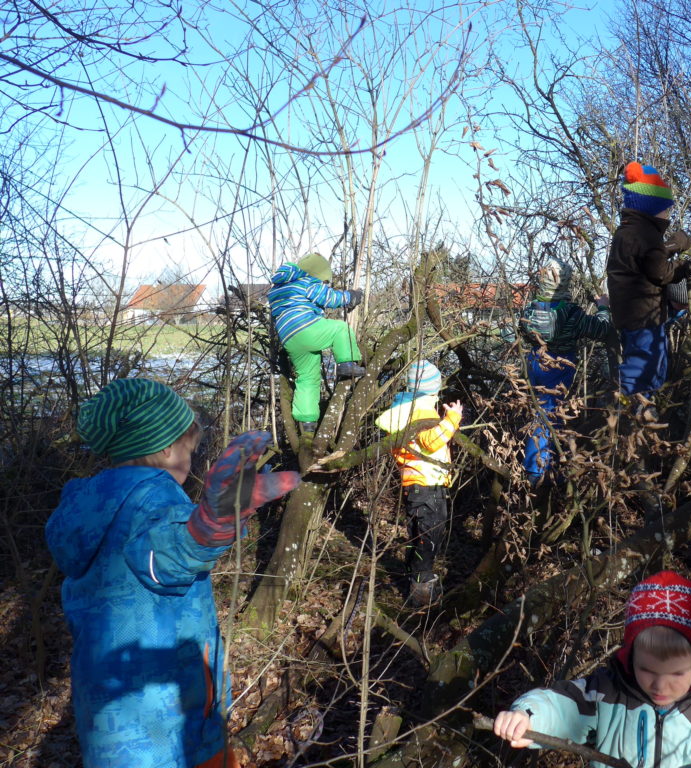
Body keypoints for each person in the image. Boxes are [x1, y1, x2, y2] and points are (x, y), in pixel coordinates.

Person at [45, 378, 301, 768]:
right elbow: (166, 558)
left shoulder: (87, 505)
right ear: (165, 449)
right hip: (168, 721)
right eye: (190, 450)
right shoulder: (155, 497)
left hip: (107, 719)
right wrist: (211, 526)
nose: (191, 460)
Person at [492, 570, 691, 768]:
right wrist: (527, 717)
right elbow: (564, 707)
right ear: (630, 656)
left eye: (676, 673)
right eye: (647, 670)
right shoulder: (609, 690)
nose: (660, 686)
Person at [374, 360, 462, 606]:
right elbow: (431, 441)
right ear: (432, 389)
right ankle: (423, 597)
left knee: (418, 534)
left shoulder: (404, 408)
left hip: (415, 483)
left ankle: (413, 579)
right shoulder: (421, 410)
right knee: (429, 535)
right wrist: (452, 419)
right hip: (427, 484)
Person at [606, 162, 691, 399]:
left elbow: (647, 261)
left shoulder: (628, 230)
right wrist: (682, 267)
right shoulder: (646, 234)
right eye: (665, 209)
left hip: (630, 314)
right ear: (651, 207)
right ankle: (631, 418)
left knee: (648, 369)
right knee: (642, 373)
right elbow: (661, 273)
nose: (667, 214)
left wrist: (671, 246)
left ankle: (640, 415)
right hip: (643, 316)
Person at [520, 257, 613, 484]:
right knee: (549, 412)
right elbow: (601, 330)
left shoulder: (530, 310)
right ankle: (536, 470)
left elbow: (522, 333)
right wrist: (603, 307)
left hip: (535, 361)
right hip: (560, 365)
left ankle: (544, 461)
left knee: (541, 409)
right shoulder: (571, 313)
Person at [268, 251, 365, 435]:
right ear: (317, 274)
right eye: (323, 280)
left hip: (289, 338)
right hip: (305, 327)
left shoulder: (278, 290)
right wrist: (351, 296)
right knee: (340, 329)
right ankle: (346, 363)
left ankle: (307, 422)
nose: (323, 283)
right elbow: (328, 297)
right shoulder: (307, 282)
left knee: (307, 377)